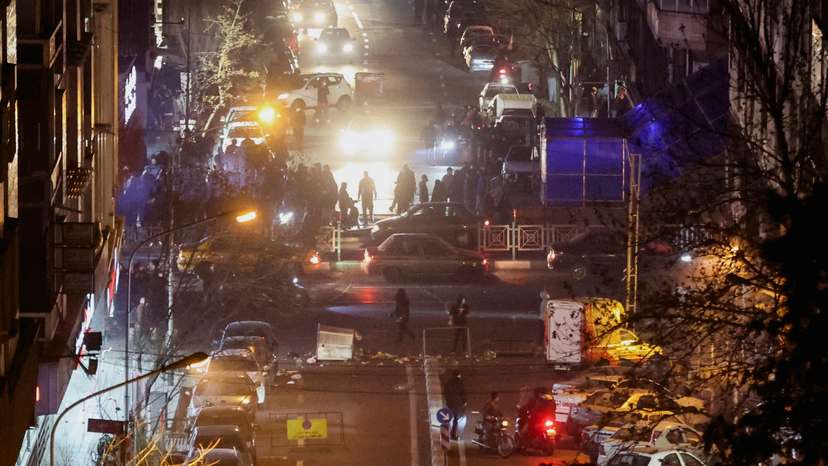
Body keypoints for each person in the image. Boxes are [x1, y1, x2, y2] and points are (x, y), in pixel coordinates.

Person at [443, 370, 467, 440]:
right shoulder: (460, 383)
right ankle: (453, 434)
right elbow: (463, 393)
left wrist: (447, 400)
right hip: (457, 403)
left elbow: (445, 392)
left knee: (447, 418)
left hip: (449, 403)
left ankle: (445, 433)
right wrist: (464, 401)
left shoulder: (448, 382)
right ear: (458, 375)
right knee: (455, 419)